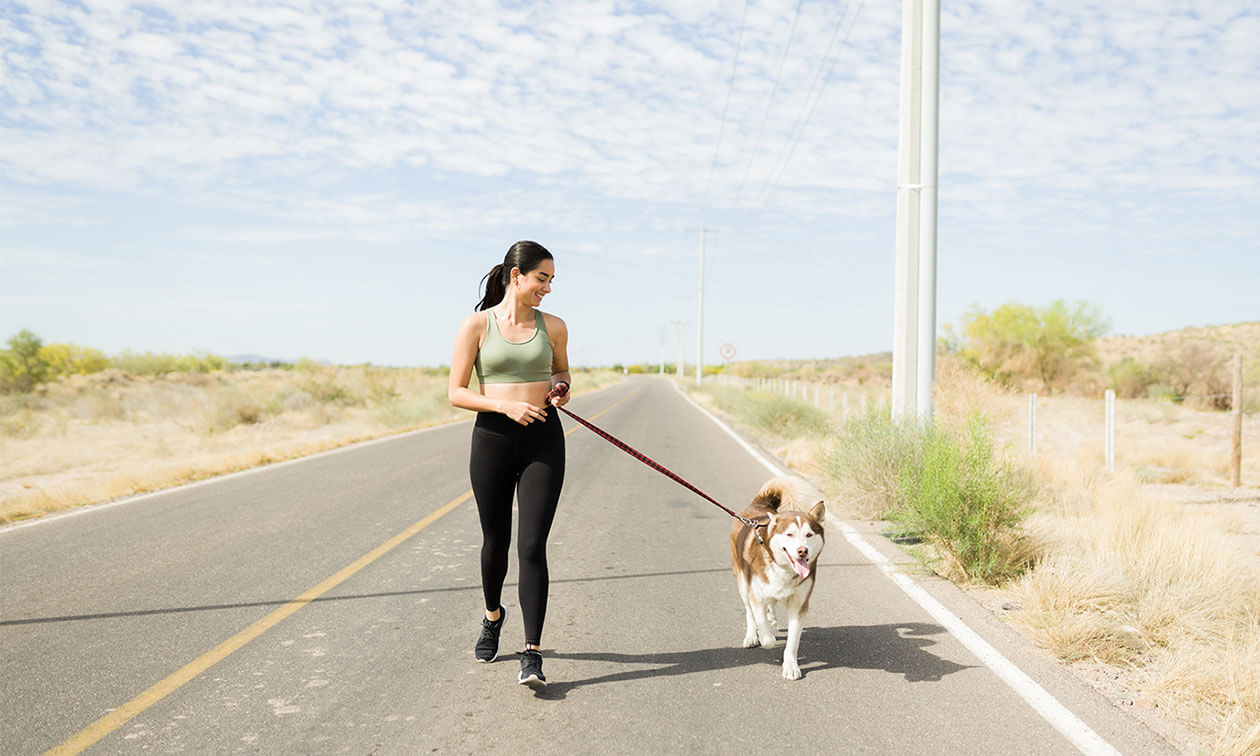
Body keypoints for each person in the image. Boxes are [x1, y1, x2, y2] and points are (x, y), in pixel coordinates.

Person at [448, 240, 570, 690]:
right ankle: (492, 615)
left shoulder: (553, 326)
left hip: (543, 439)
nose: (548, 289)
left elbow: (563, 373)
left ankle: (532, 653)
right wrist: (506, 408)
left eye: (552, 281)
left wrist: (560, 390)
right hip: (493, 440)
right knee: (495, 542)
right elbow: (456, 392)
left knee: (532, 546)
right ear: (516, 276)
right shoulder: (476, 325)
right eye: (542, 279)